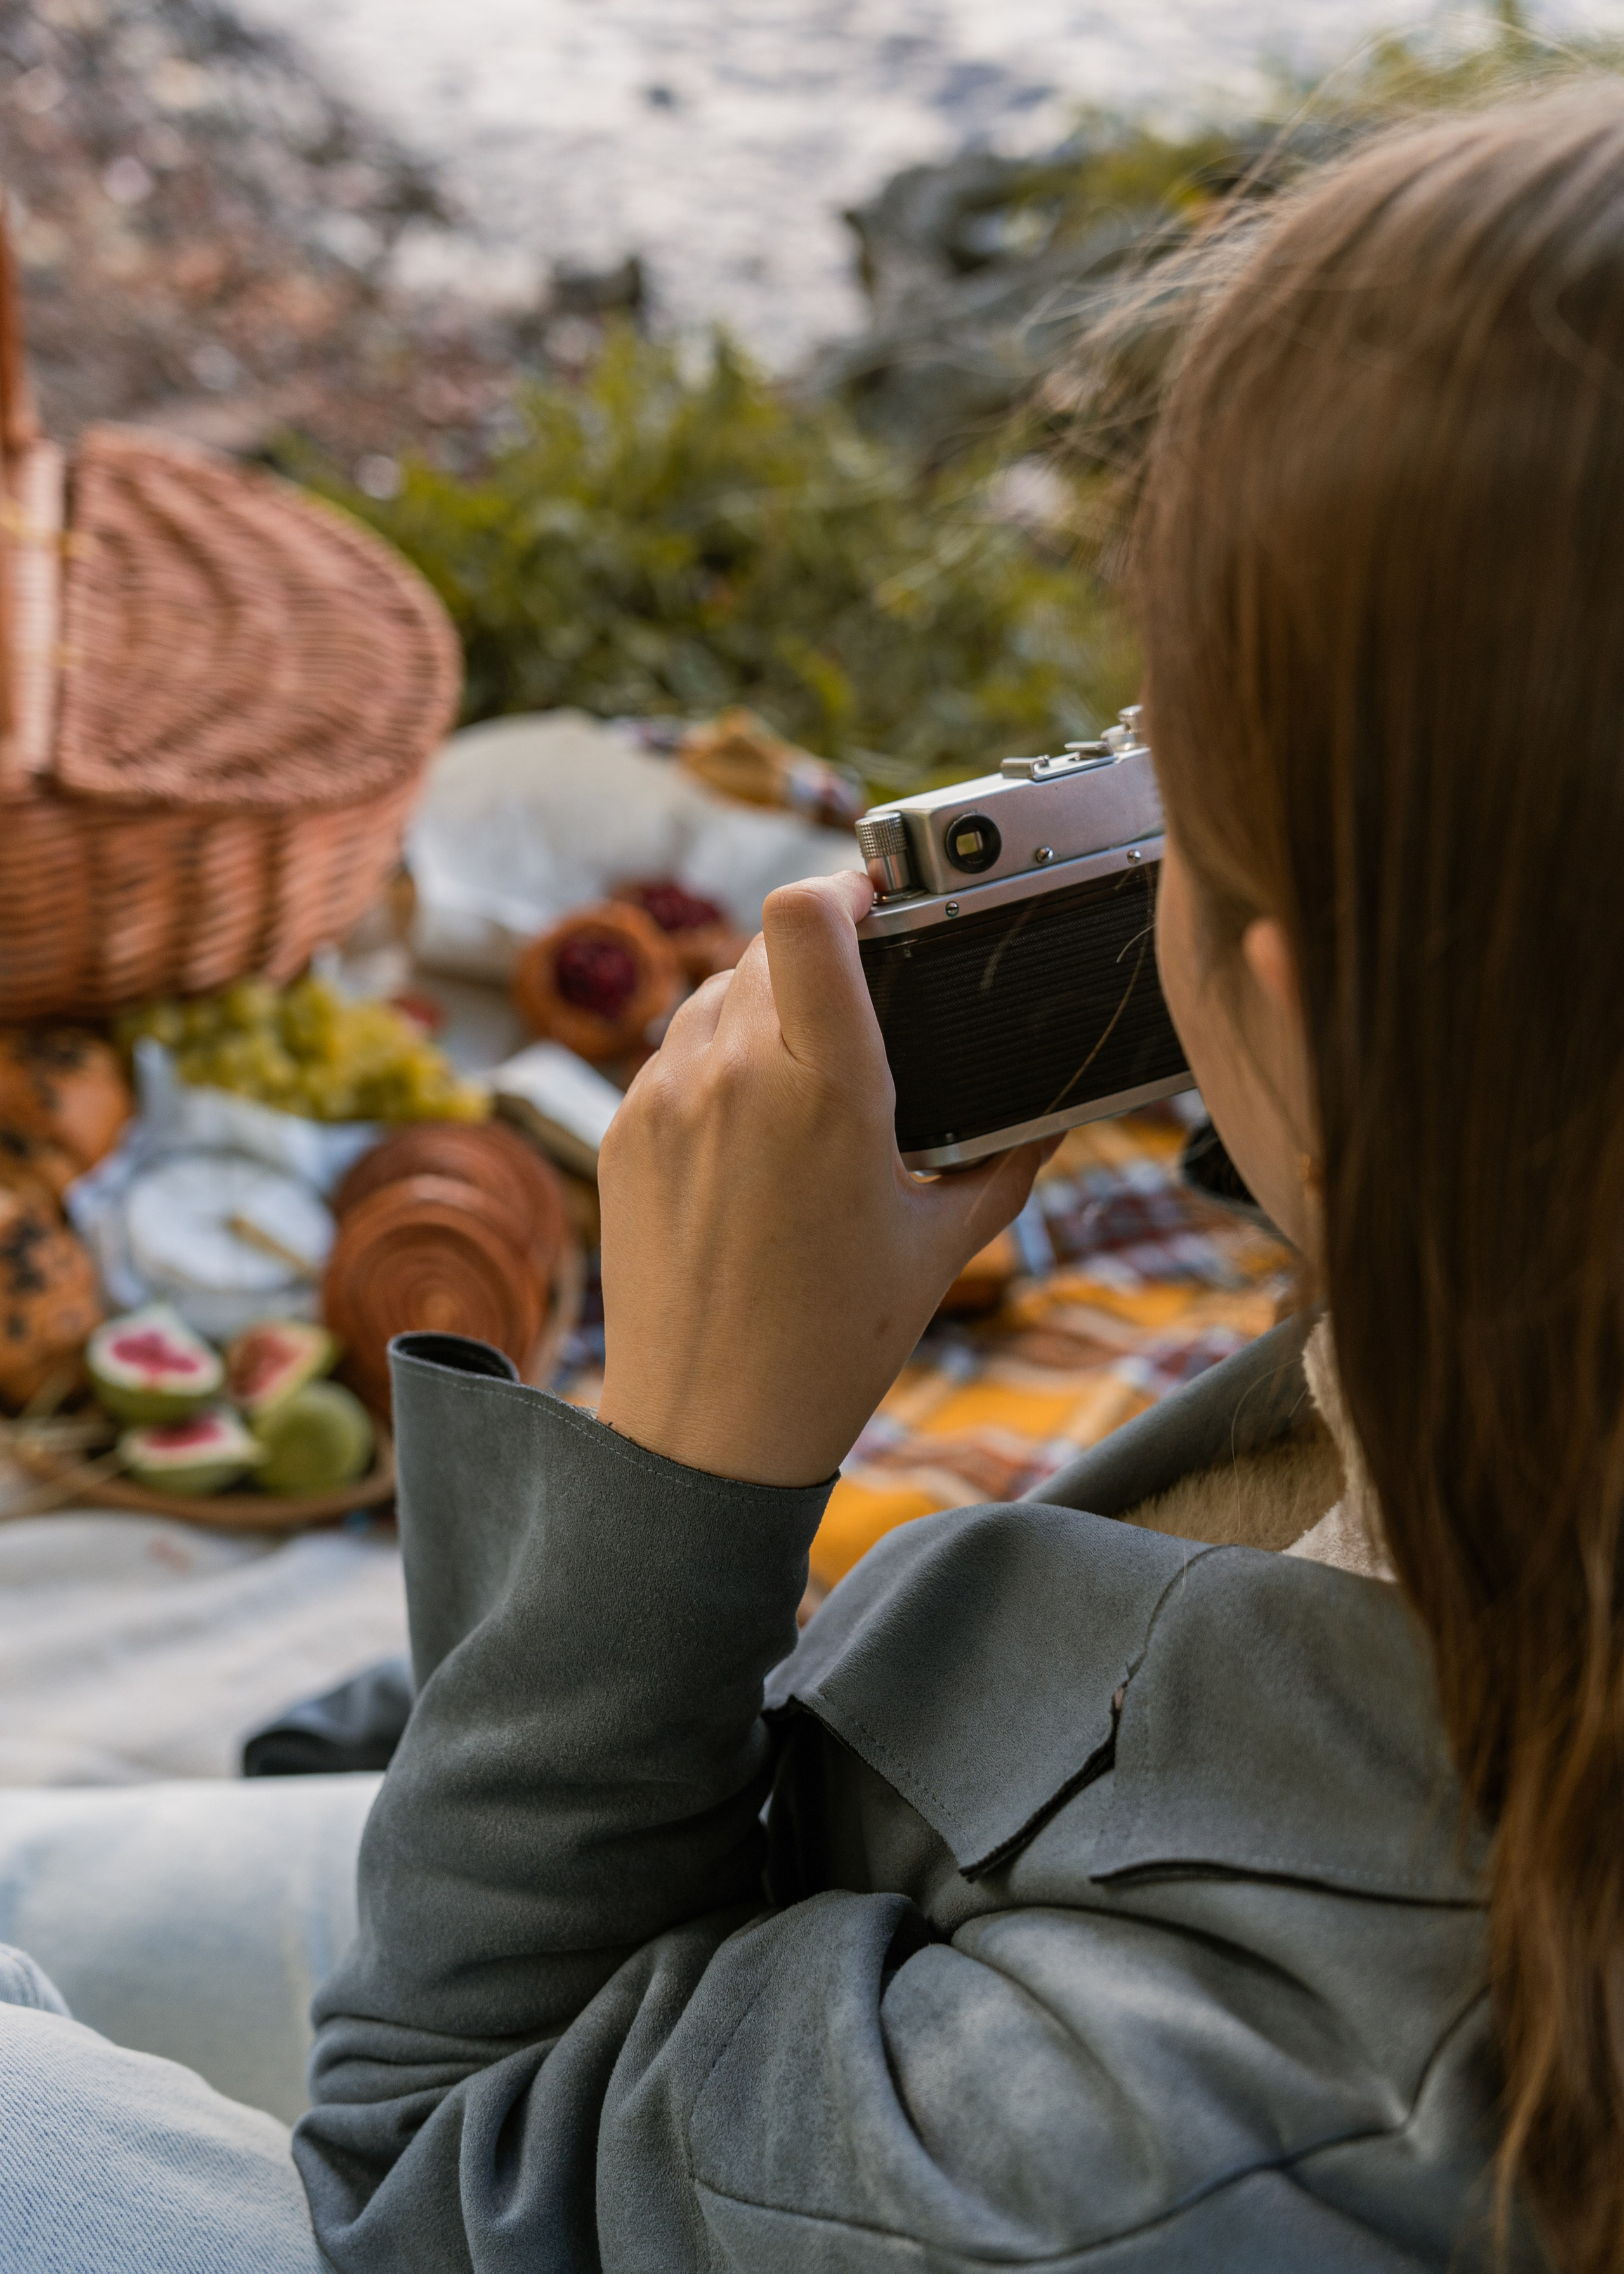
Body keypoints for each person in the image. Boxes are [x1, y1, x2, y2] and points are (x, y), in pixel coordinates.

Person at [292, 89, 1624, 2274]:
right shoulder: (1497, 1314)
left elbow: (435, 2186)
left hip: (591, 2008)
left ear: (1307, 1014)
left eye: (1167, 750)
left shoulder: (1148, 2135)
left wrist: (687, 1466)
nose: (1109, 785)